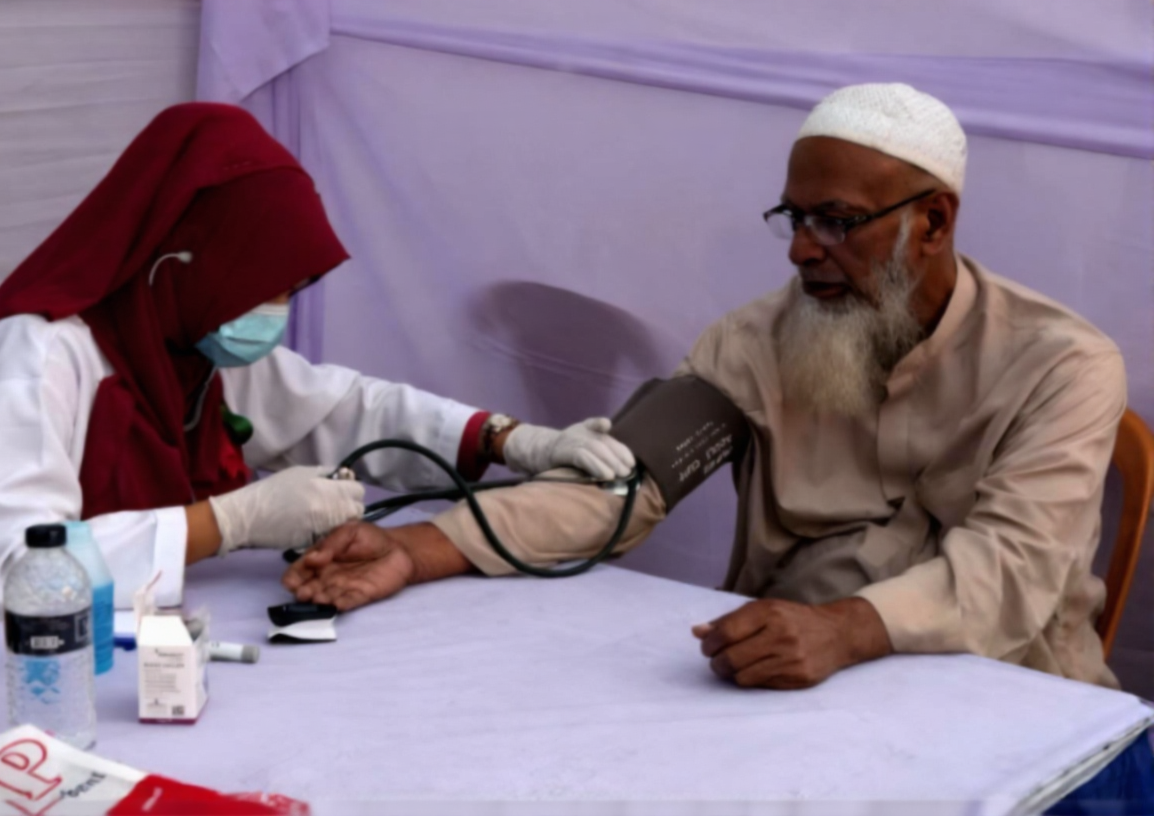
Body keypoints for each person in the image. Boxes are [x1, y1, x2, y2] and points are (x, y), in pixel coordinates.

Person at [283, 83, 1128, 691]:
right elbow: (621, 486)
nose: (801, 249)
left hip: (1009, 687)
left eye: (836, 221)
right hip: (784, 673)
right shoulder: (752, 342)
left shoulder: (1062, 365)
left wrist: (843, 630)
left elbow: (1010, 571)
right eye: (794, 218)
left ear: (933, 222)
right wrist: (417, 548)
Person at [0, 103, 634, 646]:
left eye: (290, 291)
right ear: (182, 261)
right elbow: (7, 576)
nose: (275, 312)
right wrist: (229, 522)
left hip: (143, 650)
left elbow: (344, 409)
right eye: (264, 286)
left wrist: (510, 440)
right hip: (7, 677)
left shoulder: (186, 344)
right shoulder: (37, 356)